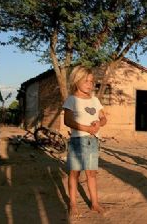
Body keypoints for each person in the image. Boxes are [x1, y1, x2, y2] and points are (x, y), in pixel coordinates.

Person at [63, 65, 107, 216]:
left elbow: (103, 117)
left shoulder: (95, 100)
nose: (90, 84)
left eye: (92, 81)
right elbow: (67, 121)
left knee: (91, 174)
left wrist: (98, 123)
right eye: (86, 81)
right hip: (77, 141)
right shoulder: (71, 100)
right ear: (76, 81)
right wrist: (86, 128)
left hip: (92, 141)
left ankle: (94, 203)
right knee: (74, 173)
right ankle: (73, 204)